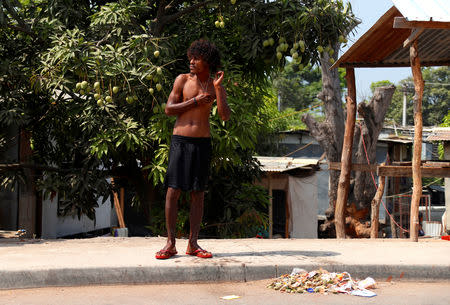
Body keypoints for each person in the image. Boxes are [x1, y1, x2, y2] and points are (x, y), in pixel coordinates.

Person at [155, 39, 230, 259]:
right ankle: (170, 243)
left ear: (207, 61)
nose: (192, 61)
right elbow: (169, 109)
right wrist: (195, 101)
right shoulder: (182, 80)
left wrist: (218, 91)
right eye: (191, 57)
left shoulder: (216, 85)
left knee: (198, 193)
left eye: (196, 58)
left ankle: (193, 244)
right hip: (180, 141)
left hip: (202, 143)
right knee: (173, 190)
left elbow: (225, 116)